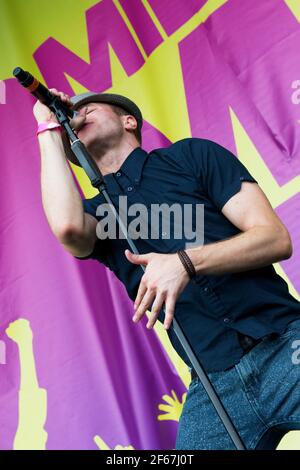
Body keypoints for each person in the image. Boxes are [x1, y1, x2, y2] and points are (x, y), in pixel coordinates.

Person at [33, 89, 300, 450]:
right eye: (72, 116)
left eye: (89, 108)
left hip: (284, 342)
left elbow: (274, 238)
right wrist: (49, 126)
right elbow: (66, 227)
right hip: (214, 386)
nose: (78, 114)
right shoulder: (99, 214)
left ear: (129, 121)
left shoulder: (192, 156)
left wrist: (185, 263)